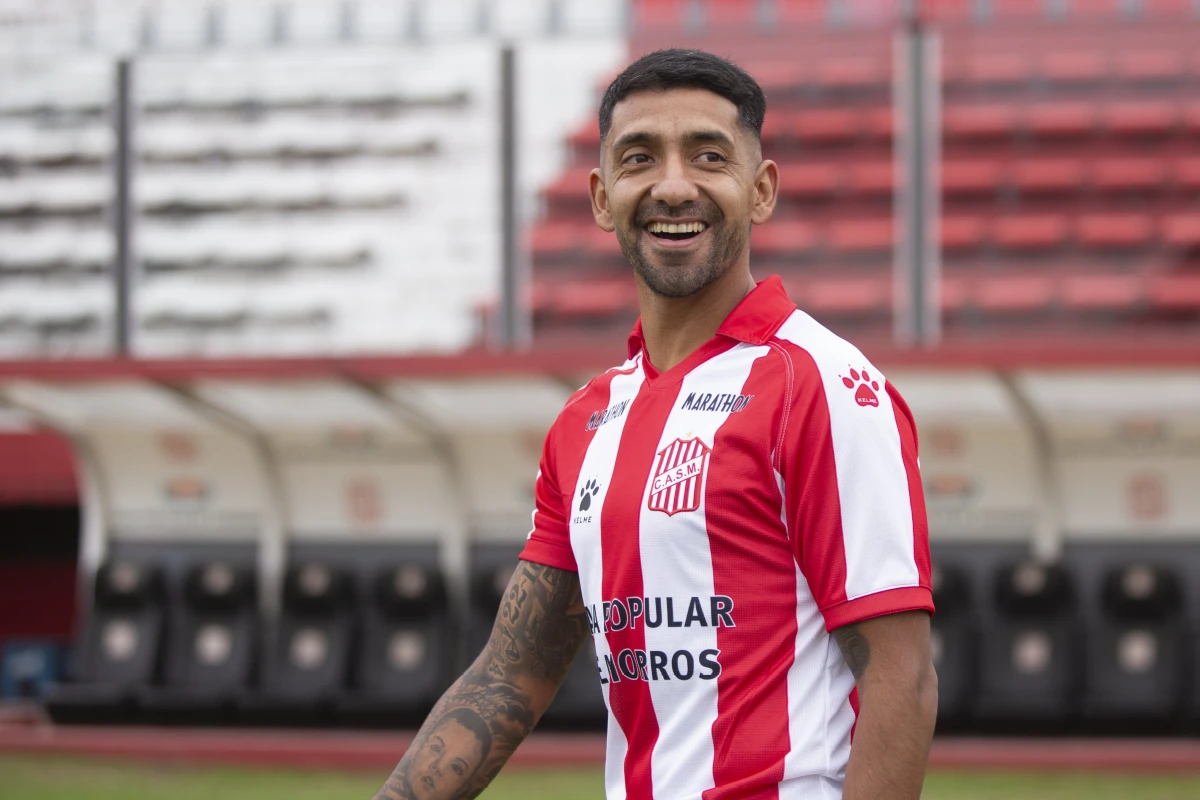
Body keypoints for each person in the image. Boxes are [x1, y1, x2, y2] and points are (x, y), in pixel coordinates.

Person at [373, 48, 937, 800]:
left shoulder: (824, 386)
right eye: (641, 159)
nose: (674, 186)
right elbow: (512, 674)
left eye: (709, 156)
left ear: (760, 190)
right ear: (603, 198)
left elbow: (902, 678)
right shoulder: (586, 420)